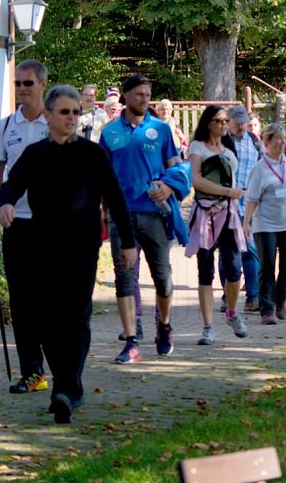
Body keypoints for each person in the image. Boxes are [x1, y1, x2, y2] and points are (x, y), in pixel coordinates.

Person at [0, 84, 136, 424]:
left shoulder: (92, 154)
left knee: (75, 317)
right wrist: (5, 204)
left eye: (75, 112)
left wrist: (128, 243)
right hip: (43, 247)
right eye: (64, 112)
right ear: (48, 115)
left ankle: (67, 388)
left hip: (82, 248)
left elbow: (115, 197)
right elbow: (11, 184)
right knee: (47, 320)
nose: (72, 118)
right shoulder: (35, 154)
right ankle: (66, 383)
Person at [99, 74, 191, 363]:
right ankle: (131, 342)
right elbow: (102, 178)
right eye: (139, 94)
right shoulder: (109, 133)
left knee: (163, 278)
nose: (144, 99)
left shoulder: (161, 129)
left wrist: (168, 187)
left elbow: (177, 167)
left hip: (154, 214)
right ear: (125, 96)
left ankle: (164, 325)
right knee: (124, 277)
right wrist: (103, 212)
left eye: (148, 95)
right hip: (121, 216)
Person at [0, 59, 51, 395]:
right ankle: (32, 373)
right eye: (17, 83)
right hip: (15, 222)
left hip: (51, 224)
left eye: (28, 83)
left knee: (49, 299)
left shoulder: (57, 120)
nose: (21, 89)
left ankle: (62, 366)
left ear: (42, 85)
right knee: (21, 301)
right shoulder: (7, 125)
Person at [184, 105, 249, 345]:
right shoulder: (197, 147)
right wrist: (227, 192)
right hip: (205, 214)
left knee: (234, 268)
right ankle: (208, 326)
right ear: (208, 123)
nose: (224, 125)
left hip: (229, 214)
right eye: (219, 121)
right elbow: (196, 180)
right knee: (206, 270)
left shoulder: (229, 147)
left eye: (225, 121)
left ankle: (232, 312)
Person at [242, 123, 286, 325]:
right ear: (267, 141)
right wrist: (246, 223)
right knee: (267, 267)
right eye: (278, 138)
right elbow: (252, 199)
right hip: (265, 225)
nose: (283, 142)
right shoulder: (259, 169)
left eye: (284, 138)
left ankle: (280, 300)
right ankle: (267, 310)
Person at [219, 105, 262, 314]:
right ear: (229, 122)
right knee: (227, 254)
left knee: (250, 250)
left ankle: (253, 297)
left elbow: (262, 166)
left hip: (248, 203)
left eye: (244, 122)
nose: (242, 126)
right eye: (237, 123)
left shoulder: (253, 141)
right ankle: (228, 296)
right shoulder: (220, 141)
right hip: (225, 204)